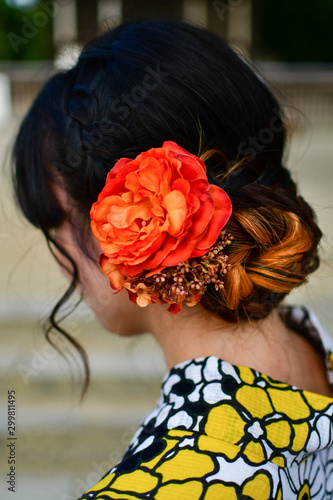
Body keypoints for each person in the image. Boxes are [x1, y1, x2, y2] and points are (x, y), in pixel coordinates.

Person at [11, 18, 333, 500]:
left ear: (122, 224)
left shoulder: (156, 485)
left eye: (53, 220)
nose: (61, 261)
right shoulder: (316, 358)